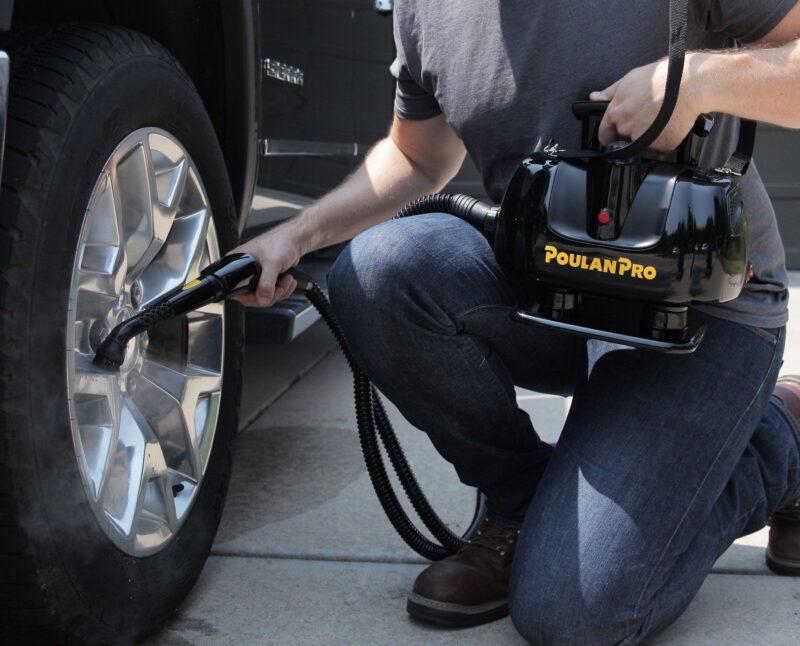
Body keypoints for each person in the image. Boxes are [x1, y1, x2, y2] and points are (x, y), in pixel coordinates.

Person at [234, 1, 800, 642]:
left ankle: (781, 438)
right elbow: (418, 157)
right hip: (549, 286)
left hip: (696, 312)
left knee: (574, 615)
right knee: (378, 270)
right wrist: (297, 236)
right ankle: (520, 504)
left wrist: (697, 81)